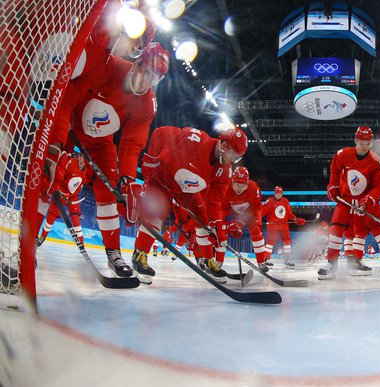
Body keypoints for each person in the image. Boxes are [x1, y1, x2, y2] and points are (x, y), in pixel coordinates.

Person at [46, 42, 169, 278]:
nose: (147, 82)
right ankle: (27, 242)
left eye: (155, 78)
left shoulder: (147, 103)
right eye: (147, 72)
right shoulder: (107, 66)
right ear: (137, 63)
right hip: (72, 130)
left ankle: (114, 254)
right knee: (50, 178)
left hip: (103, 144)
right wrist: (56, 143)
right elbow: (68, 99)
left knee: (108, 193)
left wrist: (127, 180)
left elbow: (132, 144)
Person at [130, 125, 247, 283]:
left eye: (237, 158)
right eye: (234, 155)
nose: (234, 160)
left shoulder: (225, 170)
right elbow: (159, 133)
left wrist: (216, 225)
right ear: (224, 146)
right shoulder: (195, 139)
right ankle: (140, 255)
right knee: (157, 214)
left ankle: (207, 260)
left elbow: (215, 201)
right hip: (163, 180)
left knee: (204, 220)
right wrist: (151, 164)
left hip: (187, 190)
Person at [320, 126, 380, 280]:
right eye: (361, 142)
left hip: (366, 199)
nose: (363, 145)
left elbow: (379, 186)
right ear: (355, 141)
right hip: (346, 200)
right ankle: (331, 263)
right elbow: (334, 172)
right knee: (335, 228)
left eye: (367, 142)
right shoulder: (342, 154)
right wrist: (332, 187)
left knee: (378, 227)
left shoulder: (378, 162)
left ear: (371, 143)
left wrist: (369, 199)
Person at [216, 166, 269, 271]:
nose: (239, 188)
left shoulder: (254, 188)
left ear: (247, 183)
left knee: (256, 231)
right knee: (220, 230)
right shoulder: (225, 187)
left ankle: (261, 262)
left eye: (243, 185)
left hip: (250, 212)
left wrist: (242, 221)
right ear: (232, 182)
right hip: (230, 210)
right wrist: (226, 225)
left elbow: (256, 209)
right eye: (236, 185)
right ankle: (218, 261)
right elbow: (222, 209)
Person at [36, 153, 87, 247]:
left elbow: (79, 186)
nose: (84, 161)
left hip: (72, 196)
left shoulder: (87, 171)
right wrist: (58, 189)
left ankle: (82, 245)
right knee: (52, 215)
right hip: (61, 192)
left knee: (75, 219)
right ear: (79, 156)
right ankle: (43, 237)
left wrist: (71, 195)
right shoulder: (71, 162)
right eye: (83, 157)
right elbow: (60, 176)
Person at [261, 186, 306, 268]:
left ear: (282, 194)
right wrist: (257, 219)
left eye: (280, 194)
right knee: (270, 242)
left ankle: (287, 259)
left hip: (284, 225)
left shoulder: (285, 201)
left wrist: (296, 219)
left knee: (287, 242)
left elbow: (289, 214)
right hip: (273, 226)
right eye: (277, 194)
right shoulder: (269, 201)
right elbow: (262, 211)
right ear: (274, 193)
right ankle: (266, 259)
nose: (278, 195)